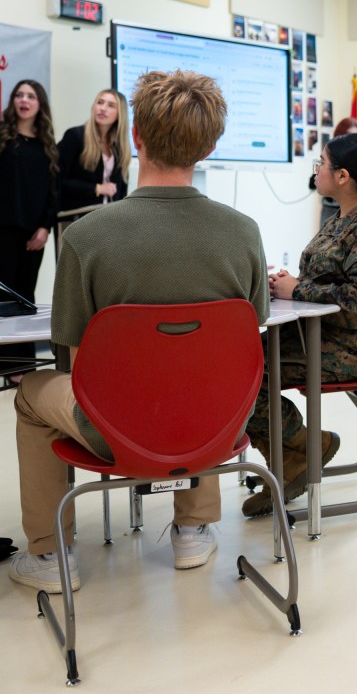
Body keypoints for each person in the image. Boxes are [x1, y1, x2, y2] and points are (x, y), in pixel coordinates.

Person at [9, 70, 270, 592]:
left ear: (136, 137)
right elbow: (249, 332)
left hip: (117, 430)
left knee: (31, 393)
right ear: (210, 144)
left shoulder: (87, 236)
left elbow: (75, 360)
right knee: (196, 383)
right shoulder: (244, 233)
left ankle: (49, 555)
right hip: (214, 425)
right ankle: (194, 530)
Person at [240, 133, 357, 516]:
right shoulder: (344, 217)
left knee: (243, 373)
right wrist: (293, 286)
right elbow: (327, 281)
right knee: (237, 364)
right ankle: (296, 455)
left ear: (343, 176)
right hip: (319, 335)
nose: (316, 169)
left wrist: (298, 288)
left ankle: (300, 449)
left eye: (321, 163)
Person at [0, 80, 57, 382]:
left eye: (31, 96)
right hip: (4, 230)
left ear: (39, 104)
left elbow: (52, 192)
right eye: (19, 95)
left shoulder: (47, 145)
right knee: (4, 300)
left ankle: (22, 365)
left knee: (25, 299)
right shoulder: (3, 137)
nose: (24, 100)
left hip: (34, 236)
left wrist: (45, 228)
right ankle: (7, 368)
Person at [57, 89, 132, 212]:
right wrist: (96, 188)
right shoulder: (75, 136)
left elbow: (121, 191)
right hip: (75, 218)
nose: (103, 108)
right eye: (100, 102)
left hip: (107, 219)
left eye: (111, 105)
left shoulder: (119, 148)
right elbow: (57, 181)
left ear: (120, 114)